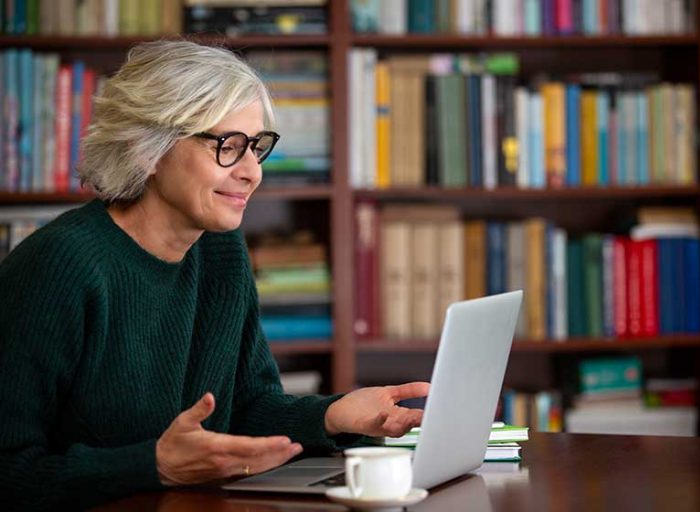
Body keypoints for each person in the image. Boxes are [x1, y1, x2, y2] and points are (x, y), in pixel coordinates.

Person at [0, 40, 428, 511]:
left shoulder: (219, 251)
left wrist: (332, 414)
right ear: (149, 149)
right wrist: (154, 465)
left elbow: (244, 407)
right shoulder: (59, 265)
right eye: (228, 146)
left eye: (257, 147)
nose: (252, 173)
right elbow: (10, 467)